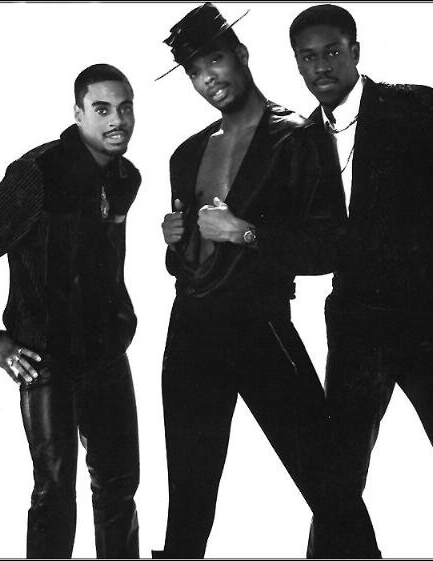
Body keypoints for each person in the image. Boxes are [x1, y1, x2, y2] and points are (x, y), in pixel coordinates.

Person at [289, 4, 433, 559]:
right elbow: (306, 240)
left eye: (332, 52)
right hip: (355, 325)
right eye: (308, 57)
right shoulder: (302, 139)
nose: (321, 67)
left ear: (356, 52)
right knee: (337, 482)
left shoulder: (411, 109)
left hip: (427, 319)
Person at [152, 3, 380, 559]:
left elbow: (330, 245)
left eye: (214, 61)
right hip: (191, 332)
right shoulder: (186, 153)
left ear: (241, 55)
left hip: (260, 326)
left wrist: (247, 233)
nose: (207, 79)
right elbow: (190, 264)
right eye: (194, 71)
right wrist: (175, 241)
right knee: (188, 500)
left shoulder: (298, 137)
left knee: (329, 486)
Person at [0, 64, 141, 559]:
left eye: (125, 107)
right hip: (45, 357)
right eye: (102, 109)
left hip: (106, 354)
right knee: (54, 491)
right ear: (78, 113)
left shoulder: (126, 176)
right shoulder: (38, 172)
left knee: (119, 486)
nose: (117, 120)